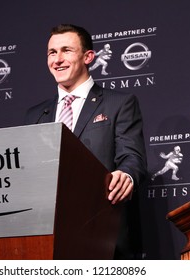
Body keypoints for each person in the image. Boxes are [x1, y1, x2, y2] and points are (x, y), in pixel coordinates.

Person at [24, 24, 147, 259]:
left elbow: (133, 156)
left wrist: (126, 175)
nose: (57, 59)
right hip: (47, 238)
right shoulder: (35, 115)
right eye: (52, 52)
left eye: (66, 50)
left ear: (88, 57)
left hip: (101, 233)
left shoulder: (118, 103)